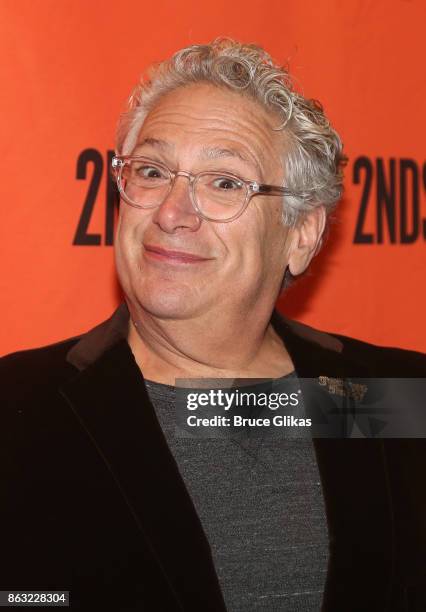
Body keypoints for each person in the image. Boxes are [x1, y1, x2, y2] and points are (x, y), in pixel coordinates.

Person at [1, 39, 425, 612]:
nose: (173, 213)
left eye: (225, 182)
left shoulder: (391, 397)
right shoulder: (19, 408)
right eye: (152, 172)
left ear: (301, 234)